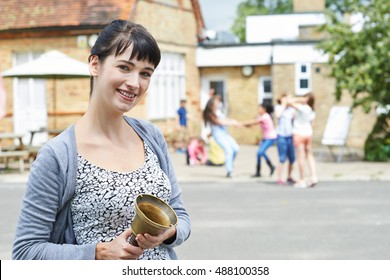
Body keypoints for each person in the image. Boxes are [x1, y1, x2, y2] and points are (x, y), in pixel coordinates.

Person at [12, 19, 190, 260]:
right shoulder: (59, 155)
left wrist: (168, 233)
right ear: (95, 64)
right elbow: (25, 252)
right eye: (125, 67)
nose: (135, 83)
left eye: (145, 73)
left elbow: (180, 215)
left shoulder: (152, 136)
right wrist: (97, 253)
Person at [203, 96, 240, 178]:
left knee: (236, 148)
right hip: (218, 135)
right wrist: (232, 123)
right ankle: (229, 171)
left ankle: (230, 164)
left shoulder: (219, 112)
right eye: (216, 102)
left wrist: (232, 121)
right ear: (212, 104)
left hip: (224, 133)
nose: (218, 103)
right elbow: (219, 122)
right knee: (229, 151)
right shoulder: (211, 114)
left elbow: (225, 119)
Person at [287, 93, 318, 188]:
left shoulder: (303, 108)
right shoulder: (312, 110)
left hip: (299, 133)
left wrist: (299, 99)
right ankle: (313, 176)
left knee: (301, 156)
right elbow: (313, 124)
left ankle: (302, 179)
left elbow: (288, 102)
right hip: (308, 133)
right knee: (309, 155)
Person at [242, 103, 277, 177]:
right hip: (266, 137)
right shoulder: (261, 116)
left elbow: (254, 122)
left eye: (260, 108)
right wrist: (246, 126)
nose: (258, 109)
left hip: (271, 137)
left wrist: (241, 124)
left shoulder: (265, 116)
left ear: (264, 109)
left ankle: (269, 167)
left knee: (260, 152)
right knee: (260, 153)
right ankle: (264, 170)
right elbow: (253, 123)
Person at [274, 94, 296, 185]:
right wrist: (284, 104)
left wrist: (292, 103)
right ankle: (279, 177)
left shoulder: (291, 110)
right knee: (282, 157)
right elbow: (278, 115)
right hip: (281, 135)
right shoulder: (278, 107)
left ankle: (289, 176)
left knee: (292, 158)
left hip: (290, 135)